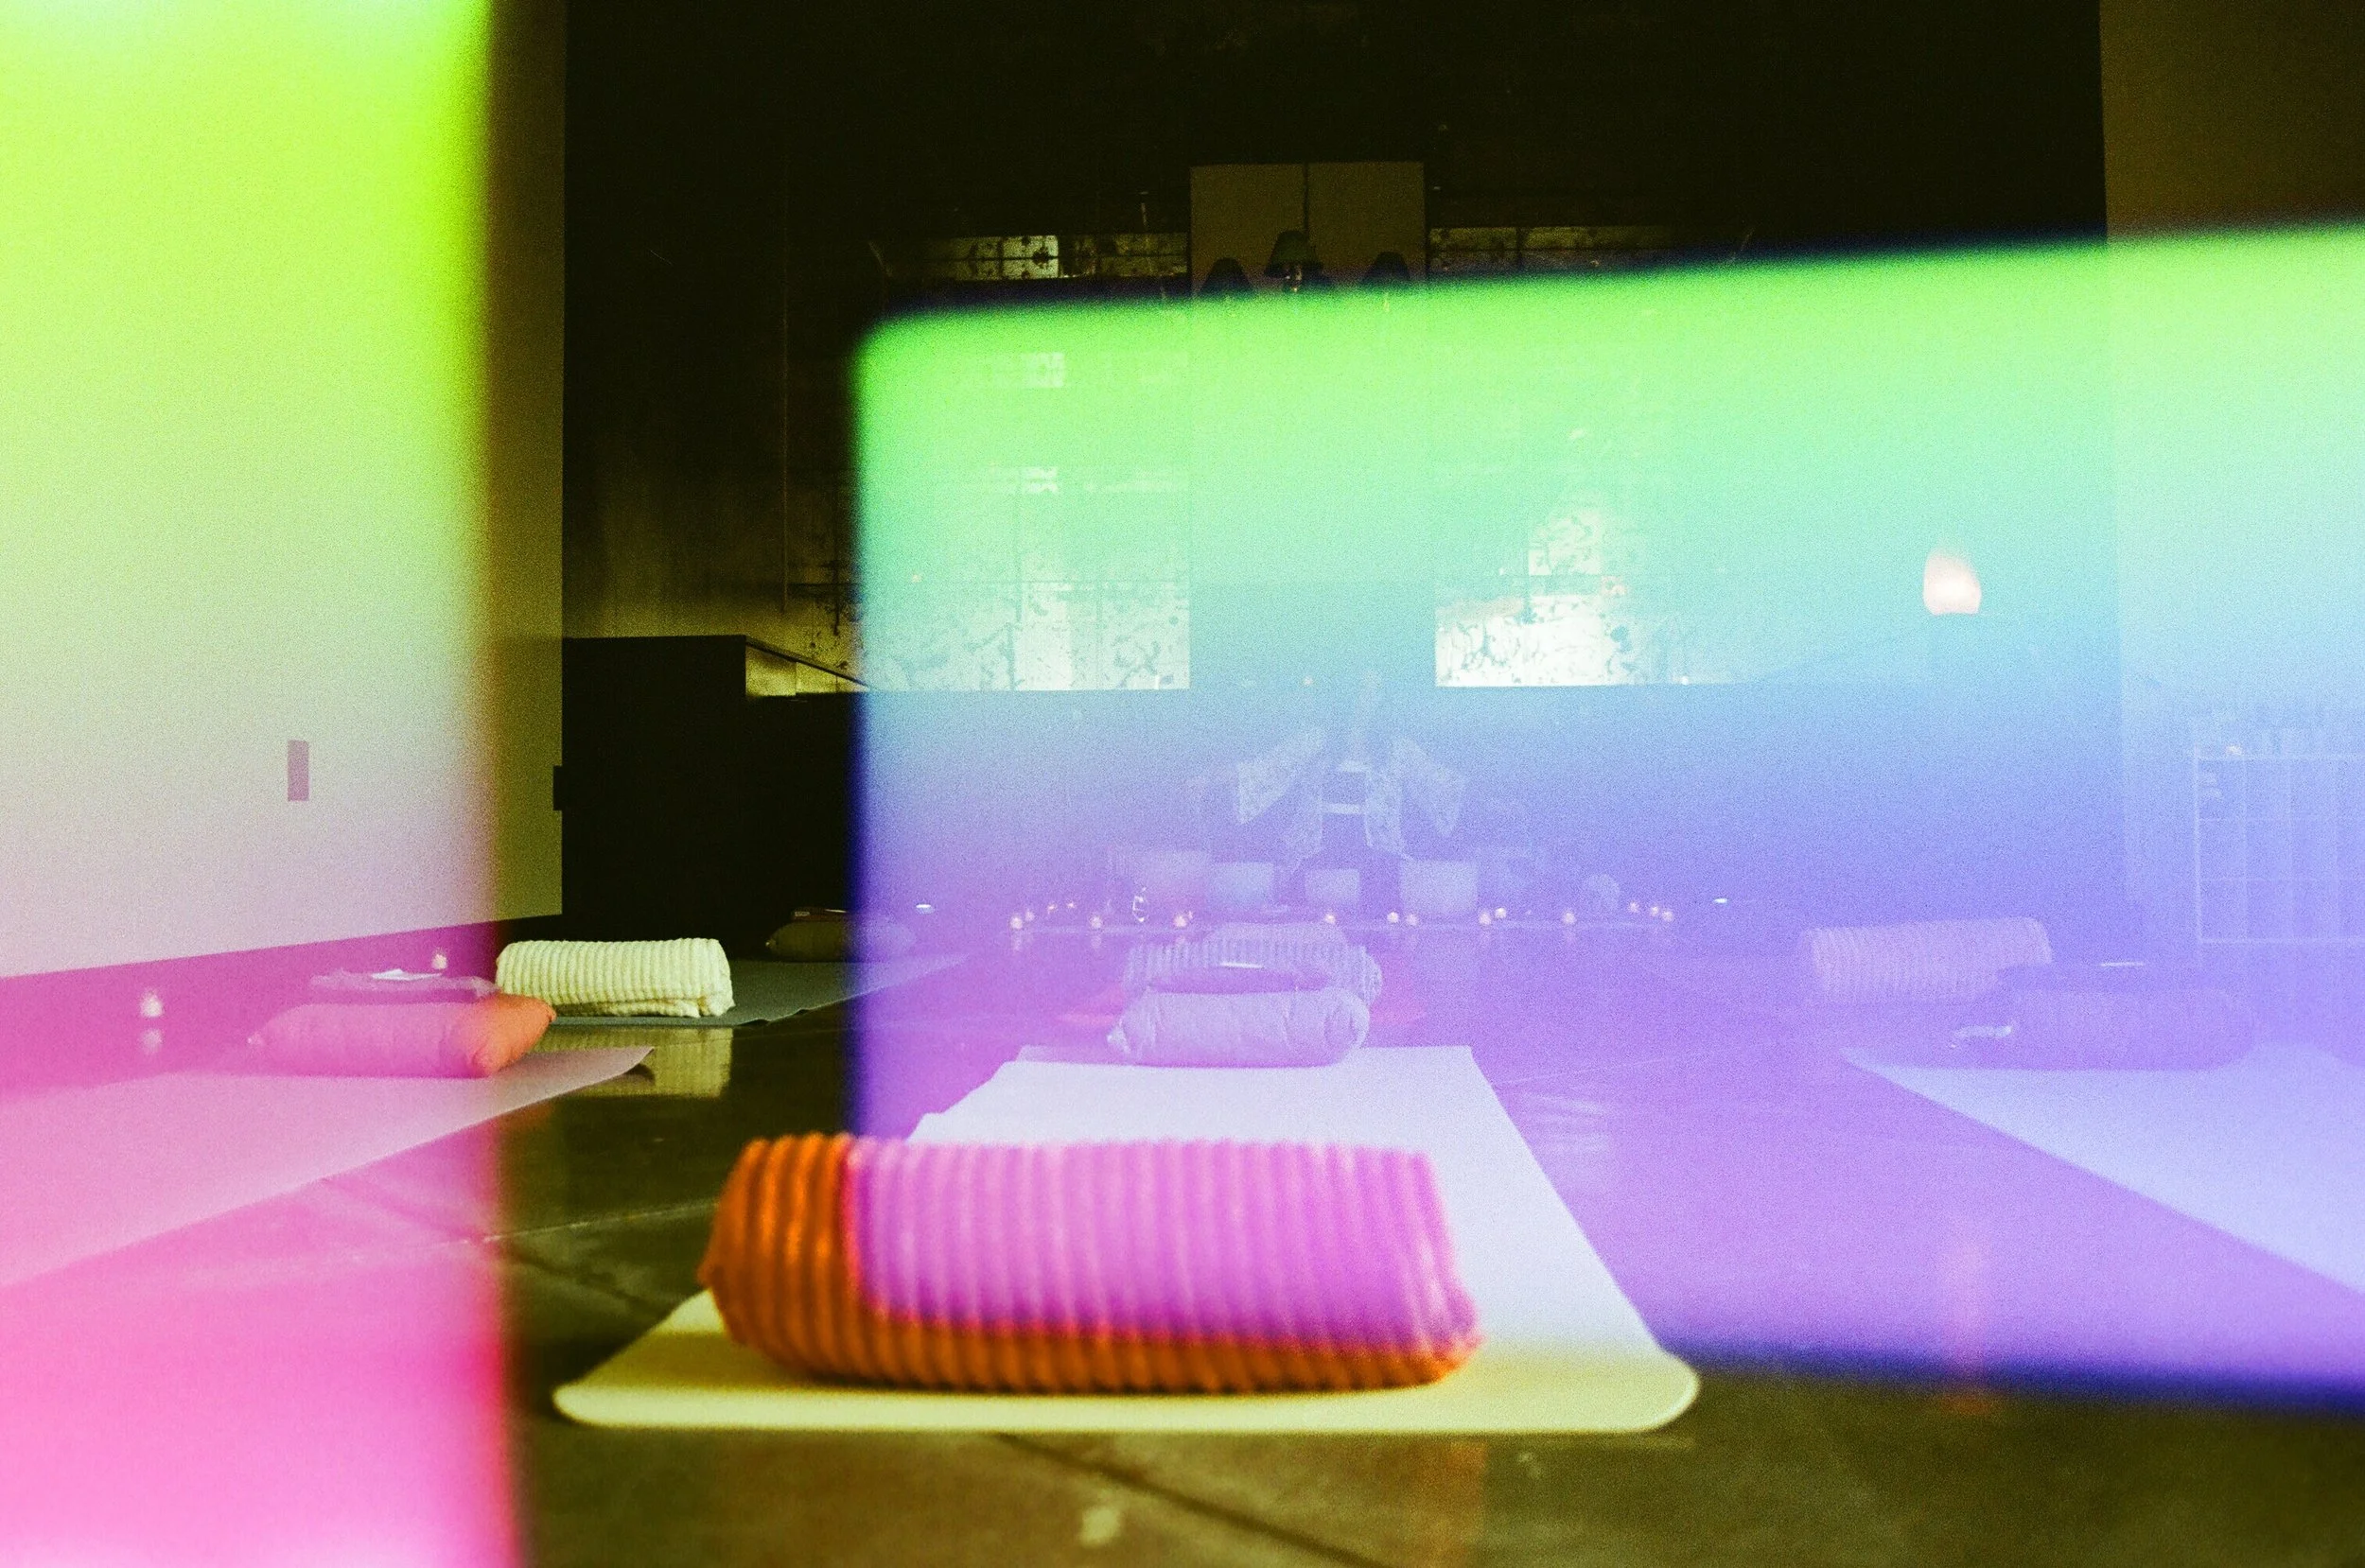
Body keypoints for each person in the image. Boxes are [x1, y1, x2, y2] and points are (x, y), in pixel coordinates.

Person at [1189, 671, 1465, 914]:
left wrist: (1483, 789)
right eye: (1360, 691)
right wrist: (1211, 778)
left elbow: (1438, 781)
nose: (1365, 700)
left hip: (1377, 858)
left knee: (1379, 919)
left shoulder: (1396, 749)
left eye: (1374, 692)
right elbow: (1269, 767)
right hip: (1319, 854)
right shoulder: (1317, 739)